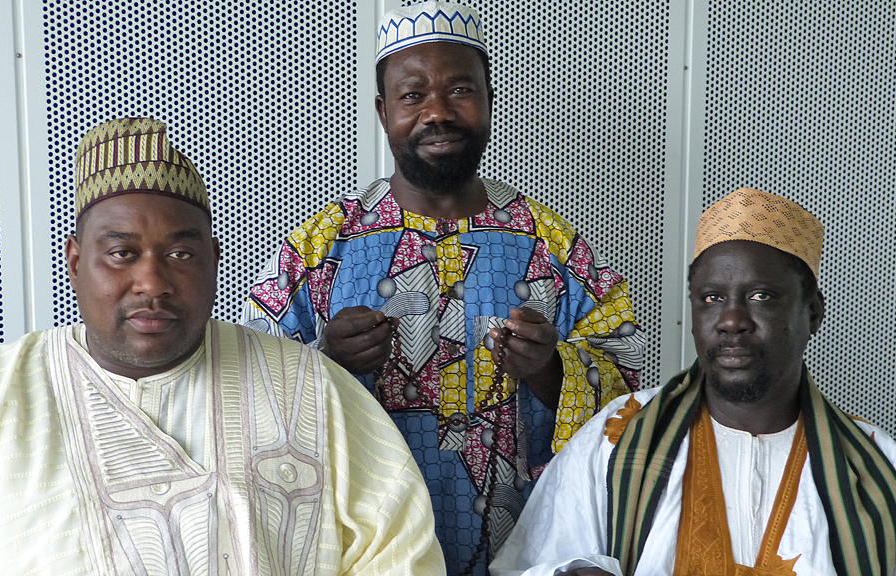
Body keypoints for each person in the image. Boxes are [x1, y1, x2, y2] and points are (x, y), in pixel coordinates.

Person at [0, 118, 444, 575]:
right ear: (74, 261)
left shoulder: (312, 388)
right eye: (121, 253)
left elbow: (400, 553)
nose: (151, 282)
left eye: (180, 255)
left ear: (212, 260)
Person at [241, 3, 645, 574]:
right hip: (365, 552)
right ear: (383, 113)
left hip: (526, 549)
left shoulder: (549, 241)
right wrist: (325, 360)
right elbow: (248, 393)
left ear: (488, 100)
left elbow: (632, 390)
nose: (437, 112)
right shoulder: (322, 243)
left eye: (459, 90)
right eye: (412, 96)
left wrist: (550, 368)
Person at [491, 188, 896, 576]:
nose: (732, 320)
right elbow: (528, 563)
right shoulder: (616, 440)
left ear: (813, 312)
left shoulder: (887, 475)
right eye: (712, 299)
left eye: (761, 296)